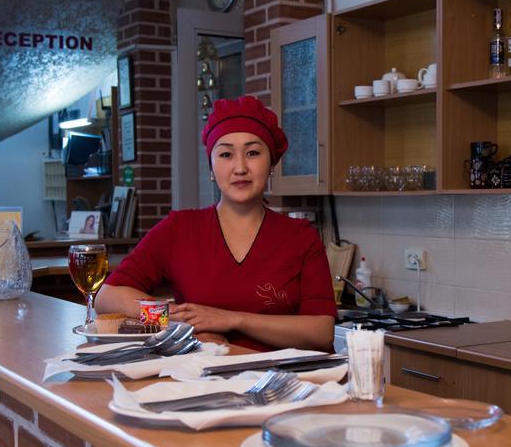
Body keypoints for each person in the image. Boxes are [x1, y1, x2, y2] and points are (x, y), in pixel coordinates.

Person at [94, 96, 336, 351]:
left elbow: (321, 332)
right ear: (211, 166)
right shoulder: (180, 229)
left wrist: (232, 320)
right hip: (204, 379)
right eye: (226, 154)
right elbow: (106, 296)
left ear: (272, 163)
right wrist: (175, 317)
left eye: (253, 153)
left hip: (282, 384)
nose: (240, 167)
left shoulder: (302, 238)